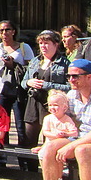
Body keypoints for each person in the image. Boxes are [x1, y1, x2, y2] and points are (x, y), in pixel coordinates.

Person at [21, 30, 70, 168]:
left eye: (47, 43)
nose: (43, 46)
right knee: (29, 140)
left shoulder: (64, 63)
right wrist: (29, 83)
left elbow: (70, 86)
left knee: (50, 141)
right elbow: (23, 82)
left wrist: (47, 85)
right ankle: (29, 179)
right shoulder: (35, 61)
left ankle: (50, 176)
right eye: (41, 43)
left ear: (56, 44)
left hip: (53, 106)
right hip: (33, 103)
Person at [0, 20, 33, 147]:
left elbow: (31, 69)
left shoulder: (24, 48)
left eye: (7, 30)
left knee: (21, 127)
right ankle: (2, 158)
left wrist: (14, 65)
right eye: (1, 31)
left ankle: (24, 162)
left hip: (19, 91)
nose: (4, 33)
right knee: (2, 126)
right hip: (1, 91)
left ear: (13, 31)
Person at [31, 91, 78, 159]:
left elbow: (75, 133)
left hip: (62, 145)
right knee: (42, 154)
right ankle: (43, 151)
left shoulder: (67, 119)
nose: (52, 107)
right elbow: (45, 132)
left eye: (55, 105)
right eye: (50, 105)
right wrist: (55, 135)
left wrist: (65, 134)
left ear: (64, 107)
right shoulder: (48, 118)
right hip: (49, 143)